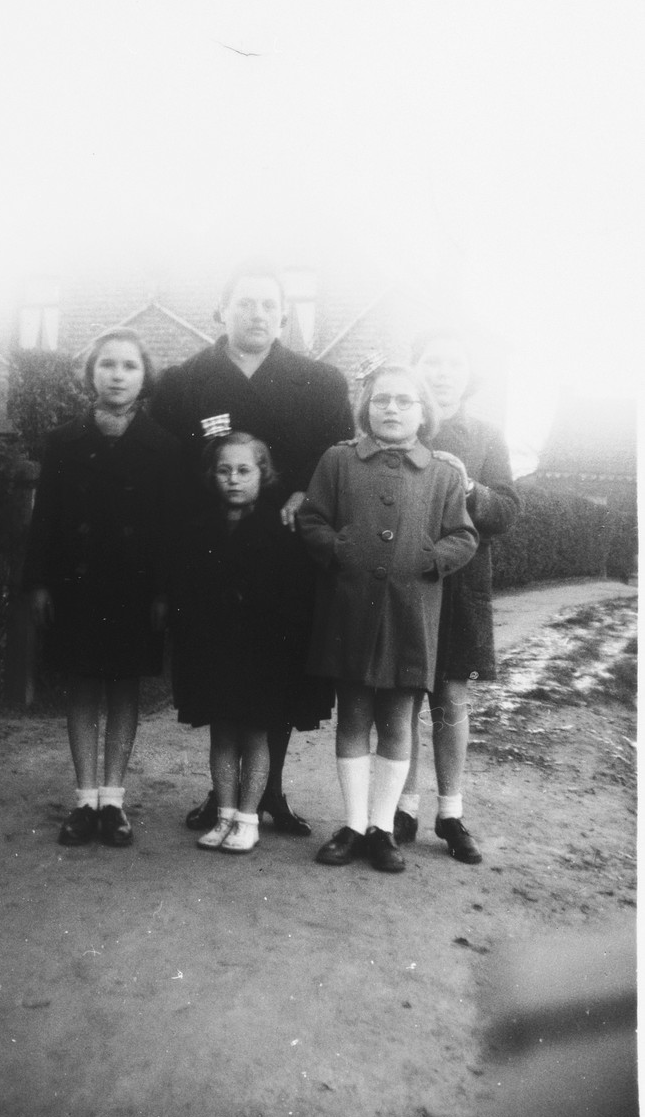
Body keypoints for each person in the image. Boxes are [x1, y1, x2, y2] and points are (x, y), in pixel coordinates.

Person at [152, 264, 353, 835]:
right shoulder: (184, 381)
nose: (257, 313)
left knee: (274, 673)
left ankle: (271, 794)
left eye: (268, 304)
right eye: (244, 303)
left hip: (287, 548)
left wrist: (300, 492)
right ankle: (222, 797)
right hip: (212, 549)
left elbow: (334, 457)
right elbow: (170, 470)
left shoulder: (321, 382)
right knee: (221, 672)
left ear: (284, 316)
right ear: (222, 311)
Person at [297, 363, 479, 873]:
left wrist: (432, 557)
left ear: (423, 412)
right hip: (351, 609)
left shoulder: (443, 472)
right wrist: (335, 548)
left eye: (404, 401)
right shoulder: (339, 461)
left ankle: (382, 828)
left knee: (399, 721)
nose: (392, 409)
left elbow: (464, 535)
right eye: (381, 400)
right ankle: (353, 825)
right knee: (353, 716)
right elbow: (311, 518)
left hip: (411, 614)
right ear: (365, 408)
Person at [22, 328, 181, 847]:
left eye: (129, 366)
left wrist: (163, 591)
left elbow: (167, 527)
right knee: (83, 684)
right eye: (107, 364)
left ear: (144, 376)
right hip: (76, 585)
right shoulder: (64, 440)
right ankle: (84, 798)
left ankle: (113, 801)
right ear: (90, 373)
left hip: (134, 588)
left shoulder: (162, 446)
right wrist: (40, 582)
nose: (117, 375)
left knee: (123, 686)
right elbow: (44, 518)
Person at [393, 331, 520, 863]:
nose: (442, 373)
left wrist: (471, 489)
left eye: (453, 364)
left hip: (462, 584)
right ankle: (403, 804)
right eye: (432, 362)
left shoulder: (486, 435)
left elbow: (508, 510)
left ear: (469, 375)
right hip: (406, 581)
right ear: (416, 368)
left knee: (449, 696)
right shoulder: (402, 424)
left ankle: (451, 812)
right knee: (401, 695)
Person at [172, 432, 328, 854]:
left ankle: (248, 818)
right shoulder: (199, 529)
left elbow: (292, 599)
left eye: (244, 470)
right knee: (222, 734)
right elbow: (187, 593)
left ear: (264, 474)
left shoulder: (280, 530)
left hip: (261, 655)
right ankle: (224, 814)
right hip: (215, 652)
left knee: (256, 737)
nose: (234, 479)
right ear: (212, 476)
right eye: (224, 470)